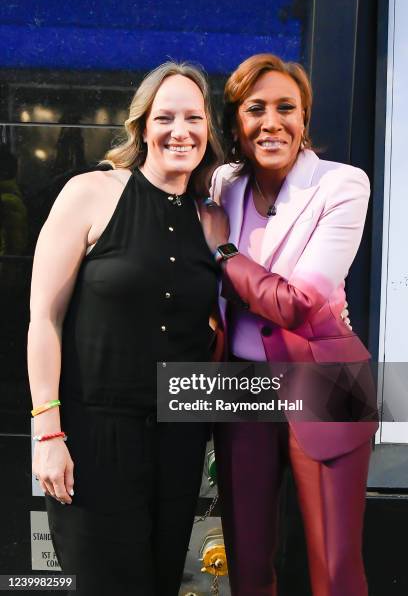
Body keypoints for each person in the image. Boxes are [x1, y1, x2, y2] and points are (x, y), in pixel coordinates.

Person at [28, 61, 224, 596]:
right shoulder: (90, 193)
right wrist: (47, 432)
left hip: (178, 440)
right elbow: (44, 318)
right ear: (141, 126)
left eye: (194, 117)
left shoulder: (214, 219)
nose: (180, 130)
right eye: (165, 117)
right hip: (93, 438)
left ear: (208, 129)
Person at [200, 53, 378, 596]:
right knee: (247, 565)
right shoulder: (222, 185)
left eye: (287, 108)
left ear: (305, 119)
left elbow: (299, 305)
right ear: (235, 122)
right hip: (242, 387)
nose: (271, 122)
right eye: (256, 109)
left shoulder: (342, 184)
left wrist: (224, 251)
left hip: (325, 381)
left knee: (333, 567)